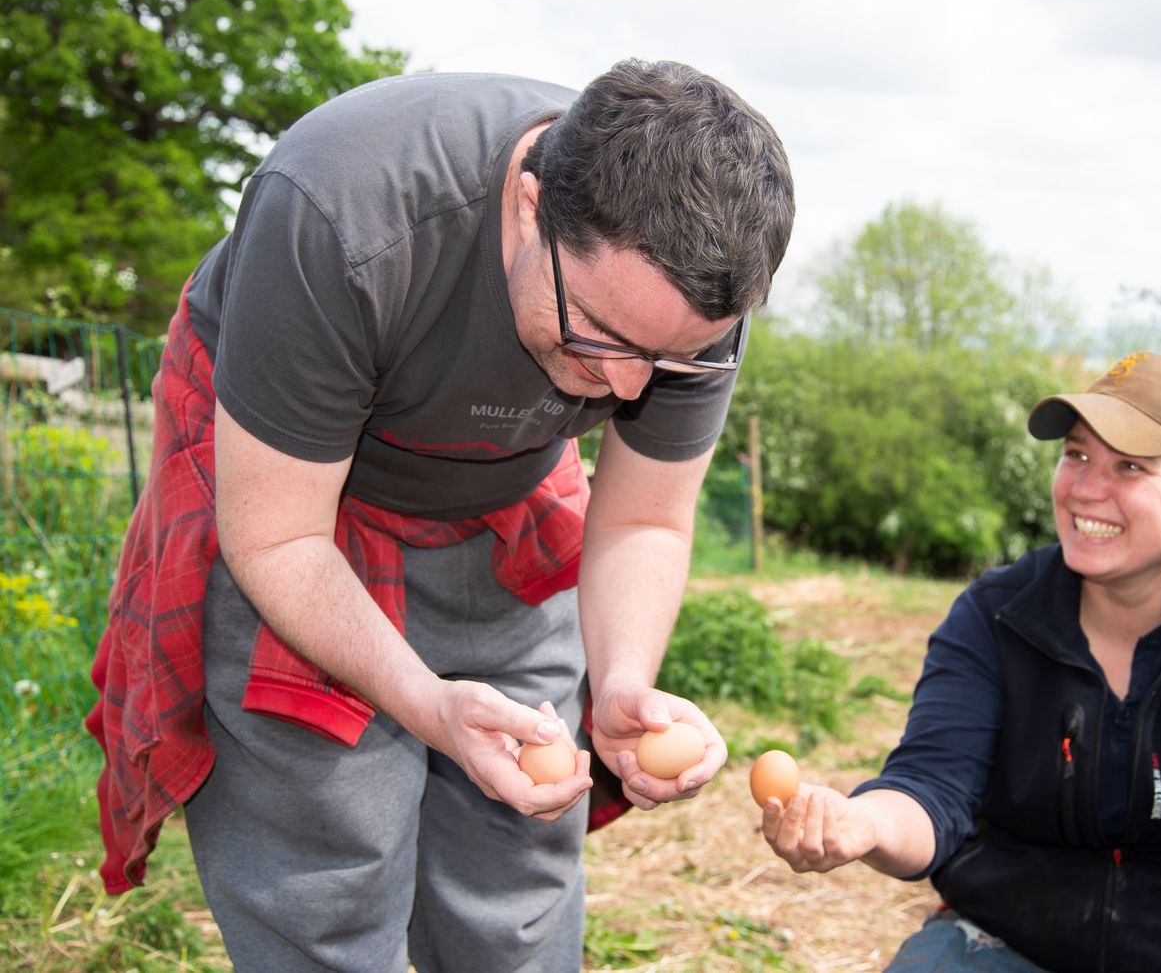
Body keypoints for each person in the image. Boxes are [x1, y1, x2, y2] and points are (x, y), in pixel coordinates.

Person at [86, 59, 795, 972]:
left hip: (504, 500)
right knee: (328, 859)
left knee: (521, 864)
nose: (626, 387)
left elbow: (645, 520)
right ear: (530, 206)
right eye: (601, 338)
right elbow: (279, 536)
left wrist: (619, 684)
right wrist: (427, 703)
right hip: (301, 502)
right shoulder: (342, 211)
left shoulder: (686, 304)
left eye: (671, 361)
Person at [760, 351, 1161, 973]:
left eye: (1130, 465)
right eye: (1076, 455)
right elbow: (932, 786)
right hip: (1005, 938)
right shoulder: (997, 614)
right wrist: (864, 824)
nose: (1087, 488)